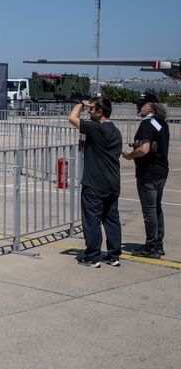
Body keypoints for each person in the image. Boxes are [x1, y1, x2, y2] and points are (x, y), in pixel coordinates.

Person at [67, 97, 123, 267]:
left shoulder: (97, 128)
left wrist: (80, 104)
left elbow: (72, 118)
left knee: (92, 220)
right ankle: (113, 255)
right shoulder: (116, 131)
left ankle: (92, 256)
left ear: (100, 112)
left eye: (92, 109)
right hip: (112, 182)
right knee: (111, 219)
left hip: (95, 183)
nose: (89, 112)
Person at [123, 92, 170, 258]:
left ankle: (151, 246)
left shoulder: (146, 124)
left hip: (148, 173)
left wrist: (130, 155)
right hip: (161, 171)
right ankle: (158, 243)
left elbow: (144, 149)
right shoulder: (160, 122)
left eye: (141, 104)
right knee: (156, 208)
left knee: (149, 210)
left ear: (151, 107)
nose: (138, 107)